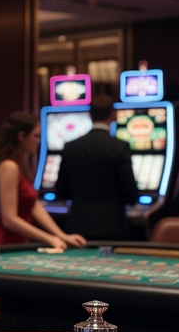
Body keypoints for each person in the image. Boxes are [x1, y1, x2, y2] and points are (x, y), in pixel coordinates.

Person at [0, 110, 85, 250]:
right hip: (2, 241)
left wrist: (61, 235)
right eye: (36, 136)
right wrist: (49, 238)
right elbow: (9, 219)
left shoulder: (19, 165)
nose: (39, 141)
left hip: (16, 238)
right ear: (21, 136)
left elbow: (33, 205)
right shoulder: (9, 167)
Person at [56, 94, 138, 240]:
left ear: (89, 114)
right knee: (108, 263)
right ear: (113, 115)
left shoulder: (71, 147)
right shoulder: (120, 147)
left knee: (78, 263)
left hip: (77, 226)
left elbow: (61, 191)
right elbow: (130, 192)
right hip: (112, 227)